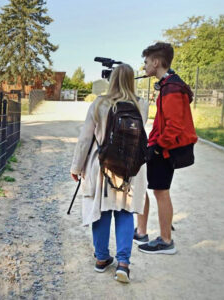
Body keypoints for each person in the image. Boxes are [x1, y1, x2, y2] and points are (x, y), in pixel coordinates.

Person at [70, 64, 149, 283]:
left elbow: (86, 138)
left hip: (102, 166)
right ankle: (123, 264)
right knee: (125, 211)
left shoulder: (99, 104)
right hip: (130, 167)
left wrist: (76, 167)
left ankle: (102, 258)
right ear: (132, 80)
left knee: (102, 210)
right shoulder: (142, 104)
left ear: (112, 79)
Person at [134, 42, 197, 254]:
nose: (144, 67)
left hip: (165, 149)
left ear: (156, 62)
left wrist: (159, 148)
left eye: (145, 62)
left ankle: (166, 240)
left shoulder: (171, 88)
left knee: (161, 192)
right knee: (160, 191)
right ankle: (161, 235)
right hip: (162, 146)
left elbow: (174, 126)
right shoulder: (168, 84)